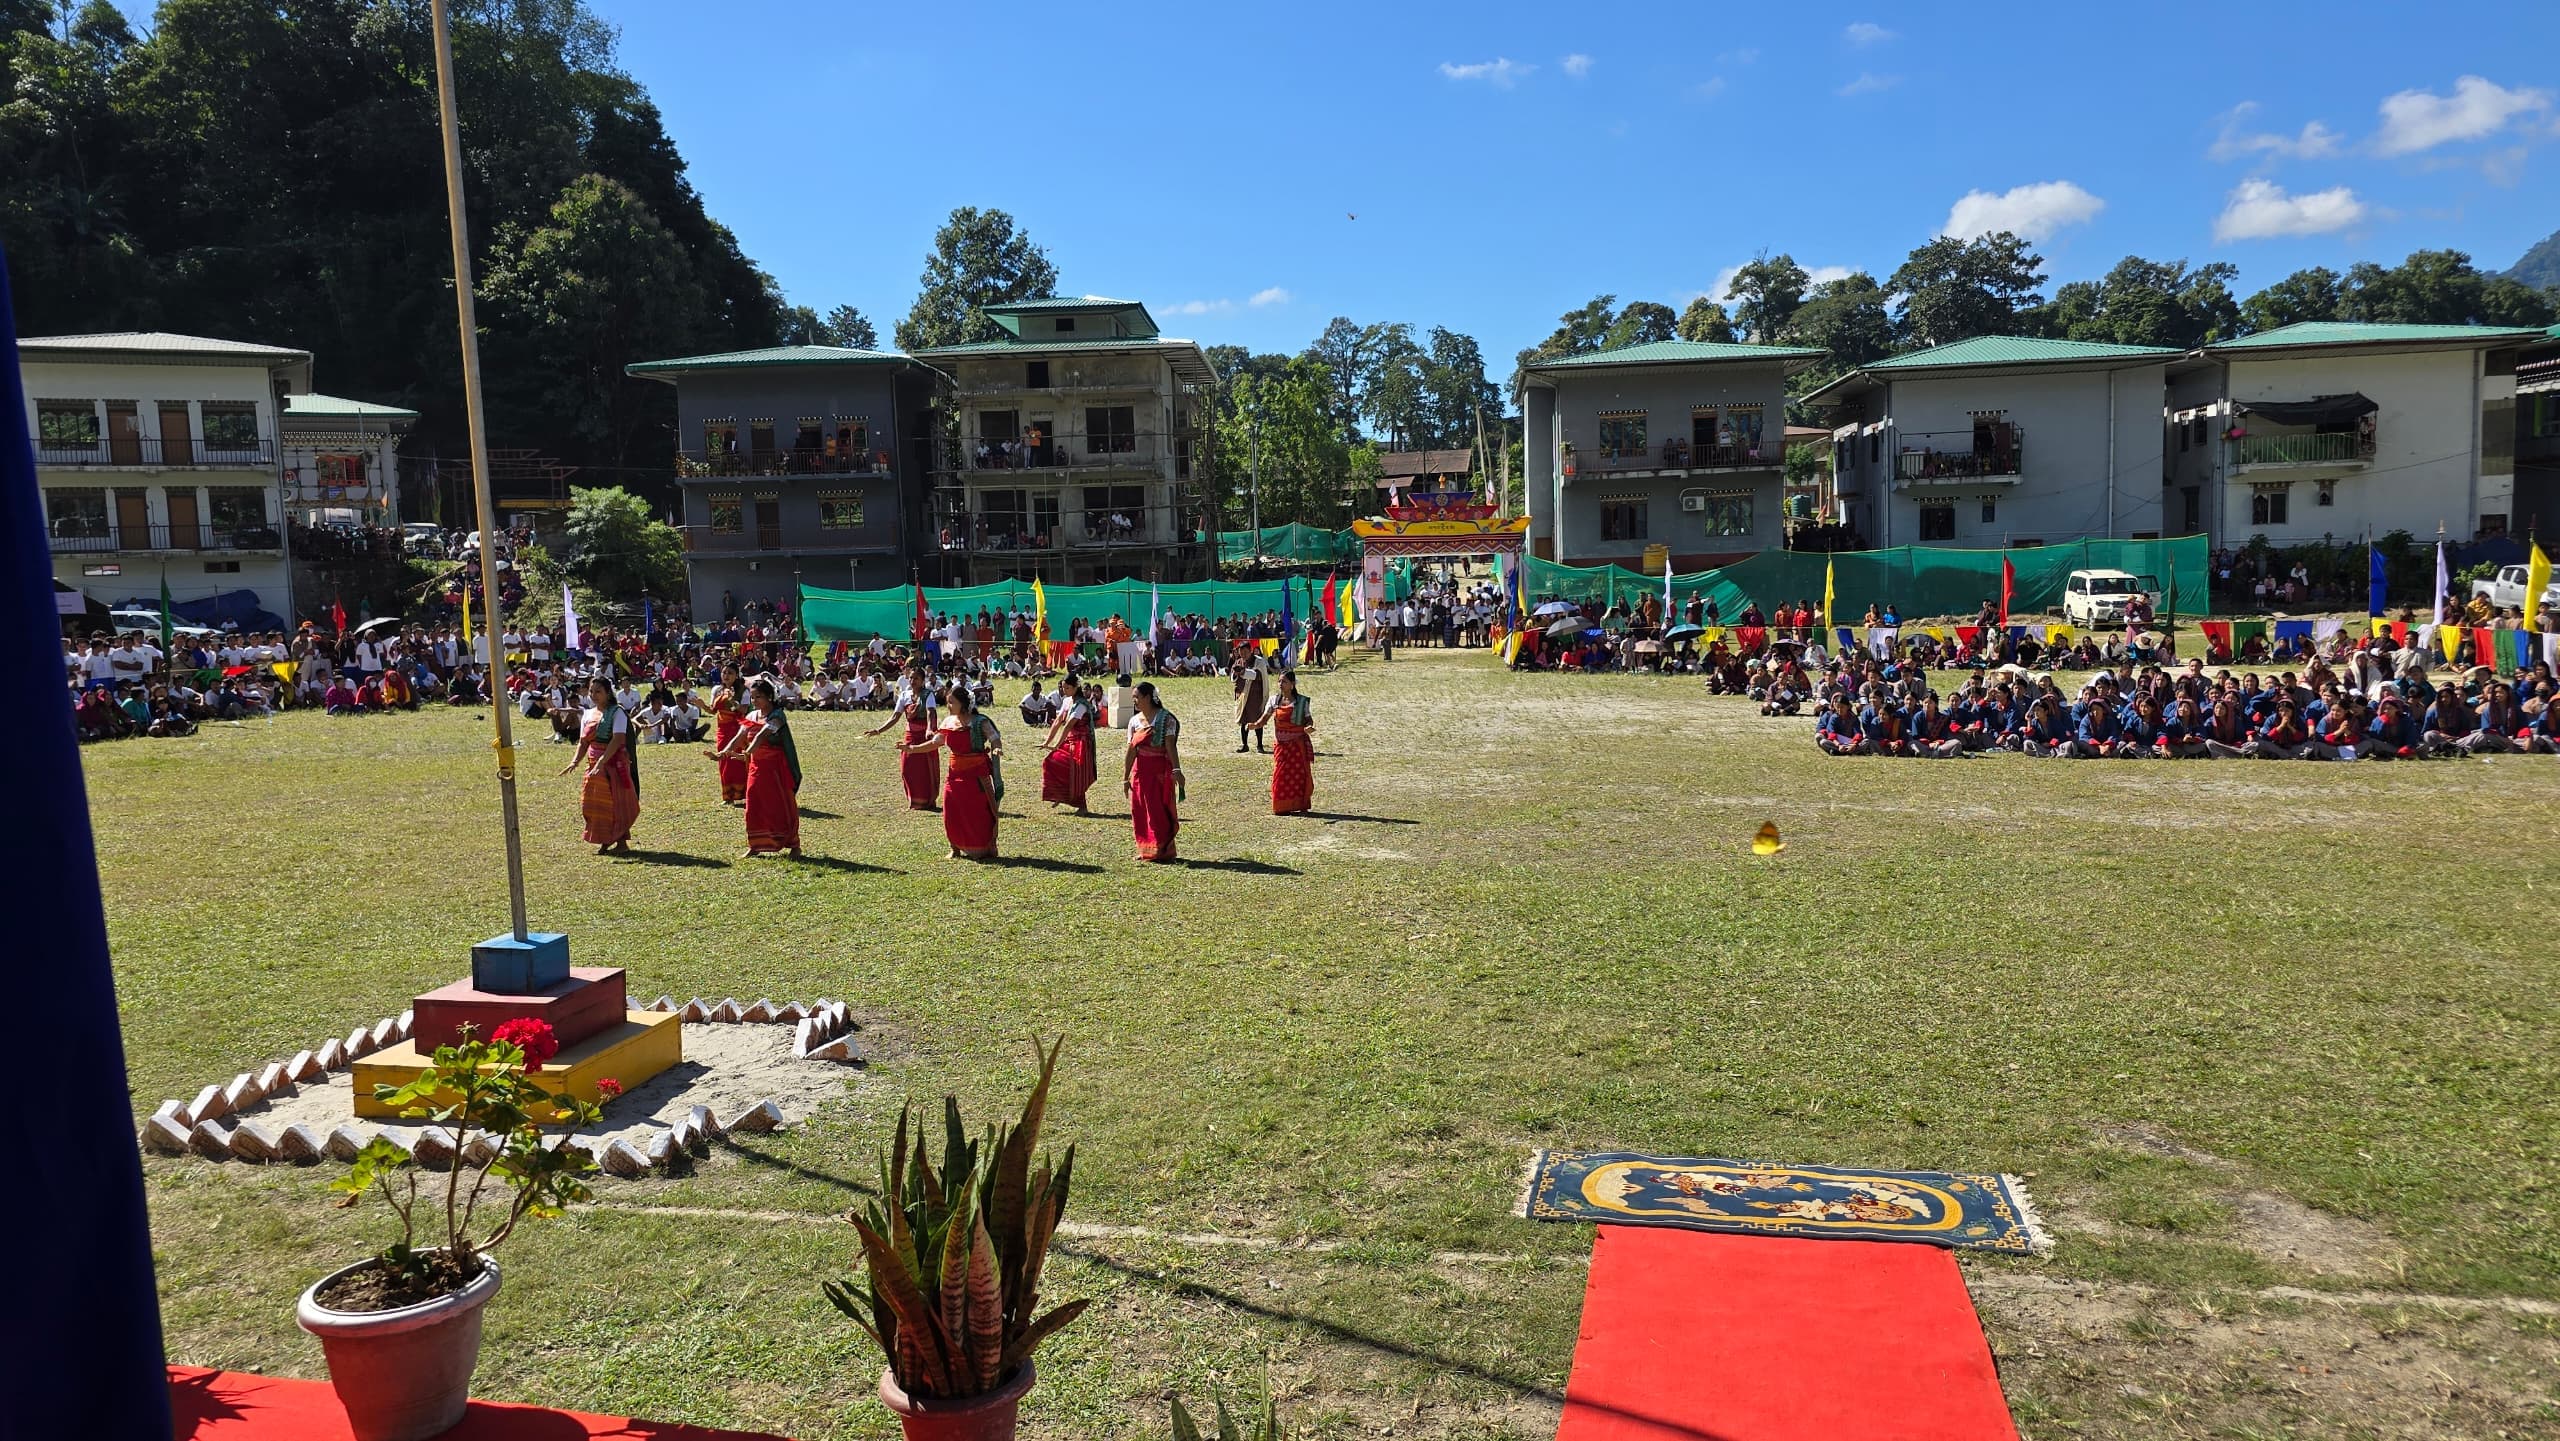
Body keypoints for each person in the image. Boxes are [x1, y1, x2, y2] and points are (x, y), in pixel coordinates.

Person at [711, 678, 801, 858]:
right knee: (753, 805)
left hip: (775, 768)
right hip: (755, 767)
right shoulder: (752, 716)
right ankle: (755, 845)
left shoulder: (777, 715)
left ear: (769, 696)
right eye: (752, 698)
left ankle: (793, 845)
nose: (754, 701)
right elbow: (739, 736)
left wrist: (747, 752)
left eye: (758, 697)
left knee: (781, 805)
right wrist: (724, 752)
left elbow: (762, 735)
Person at [907, 687, 999, 859]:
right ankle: (954, 847)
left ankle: (982, 847)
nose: (948, 705)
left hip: (976, 774)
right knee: (951, 809)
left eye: (951, 702)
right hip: (954, 774)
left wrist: (997, 750)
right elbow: (935, 743)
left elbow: (995, 738)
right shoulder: (948, 722)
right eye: (948, 701)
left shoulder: (980, 721)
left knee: (978, 811)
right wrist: (912, 749)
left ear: (963, 704)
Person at [561, 676, 637, 855]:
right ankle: (604, 839)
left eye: (598, 691)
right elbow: (583, 742)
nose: (594, 695)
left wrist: (602, 762)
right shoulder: (587, 714)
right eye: (591, 691)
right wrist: (575, 761)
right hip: (593, 765)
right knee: (592, 803)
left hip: (613, 764)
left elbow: (618, 739)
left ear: (607, 693)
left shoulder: (617, 712)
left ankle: (620, 842)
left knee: (614, 802)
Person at [1124, 680, 1183, 861]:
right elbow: (1131, 749)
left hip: (1159, 773)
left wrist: (1176, 770)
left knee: (1158, 810)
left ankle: (1162, 850)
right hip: (1140, 773)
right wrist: (1125, 777)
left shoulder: (1166, 719)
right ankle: (1146, 849)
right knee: (1140, 810)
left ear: (1148, 698)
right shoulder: (1134, 721)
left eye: (1137, 697)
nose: (1134, 701)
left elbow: (1170, 746)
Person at [1038, 676, 1097, 814]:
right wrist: (1047, 742)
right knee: (1050, 761)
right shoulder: (1067, 701)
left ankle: (1082, 806)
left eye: (1067, 688)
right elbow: (1058, 721)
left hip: (1081, 743)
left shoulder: (1081, 705)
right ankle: (1060, 794)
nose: (1064, 690)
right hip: (1069, 740)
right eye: (1063, 687)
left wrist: (1057, 744)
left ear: (1076, 687)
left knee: (1074, 772)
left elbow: (1068, 725)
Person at [1265, 670, 1315, 813]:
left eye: (1284, 681)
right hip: (1281, 745)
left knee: (1299, 775)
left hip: (1297, 744)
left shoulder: (1301, 702)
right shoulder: (1274, 700)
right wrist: (1255, 724)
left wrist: (1308, 726)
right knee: (1280, 774)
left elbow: (1308, 719)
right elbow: (1264, 718)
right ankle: (1282, 807)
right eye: (1279, 681)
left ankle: (1299, 804)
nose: (1281, 684)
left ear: (1292, 685)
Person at [709, 664, 749, 805]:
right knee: (724, 762)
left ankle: (743, 793)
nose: (726, 675)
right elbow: (713, 710)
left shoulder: (743, 691)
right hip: (722, 730)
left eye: (730, 673)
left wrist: (733, 701)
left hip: (736, 730)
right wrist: (700, 705)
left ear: (736, 675)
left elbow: (744, 710)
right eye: (724, 672)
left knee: (736, 762)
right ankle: (728, 797)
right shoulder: (717, 690)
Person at [1232, 655, 1267, 753]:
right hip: (1242, 695)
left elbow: (1257, 675)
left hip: (1255, 696)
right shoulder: (1238, 661)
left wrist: (1243, 672)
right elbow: (1233, 677)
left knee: (1257, 720)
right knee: (1243, 721)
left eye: (1245, 651)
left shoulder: (1258, 662)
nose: (1243, 653)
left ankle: (1260, 745)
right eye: (1241, 651)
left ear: (1249, 650)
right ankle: (1245, 745)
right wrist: (1236, 672)